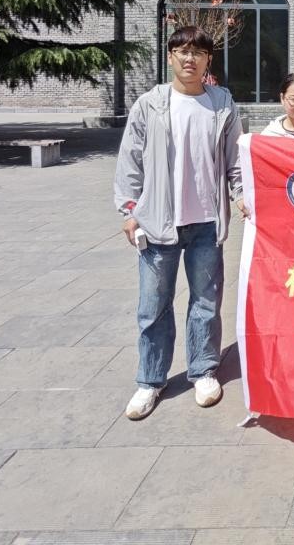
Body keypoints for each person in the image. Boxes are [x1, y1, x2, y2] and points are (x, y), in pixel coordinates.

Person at [114, 26, 243, 421]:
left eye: (198, 52)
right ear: (170, 56)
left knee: (206, 302)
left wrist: (241, 194)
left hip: (206, 221)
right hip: (158, 222)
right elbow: (130, 158)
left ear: (208, 60)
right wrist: (129, 209)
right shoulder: (150, 104)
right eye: (182, 51)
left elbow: (235, 158)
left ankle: (203, 371)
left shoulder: (222, 103)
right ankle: (150, 380)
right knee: (153, 306)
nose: (190, 59)